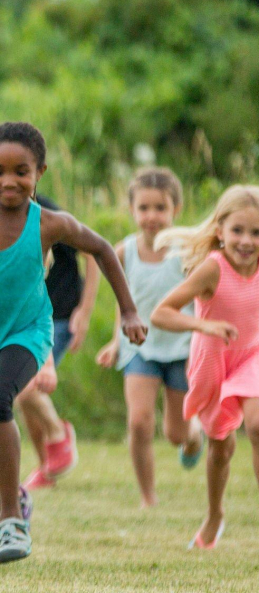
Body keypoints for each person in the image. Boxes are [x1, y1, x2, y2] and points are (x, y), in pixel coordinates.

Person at [0, 121, 146, 565]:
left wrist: (128, 310)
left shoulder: (49, 223)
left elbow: (103, 249)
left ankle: (14, 518)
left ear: (41, 172)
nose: (9, 181)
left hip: (28, 333)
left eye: (22, 171)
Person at [152, 185, 259, 549]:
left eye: (256, 232)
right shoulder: (212, 270)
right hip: (214, 362)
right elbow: (161, 313)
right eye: (238, 231)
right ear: (220, 231)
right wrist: (203, 325)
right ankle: (215, 514)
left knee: (258, 425)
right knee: (222, 449)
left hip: (253, 358)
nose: (247, 241)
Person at [96, 167, 204, 508]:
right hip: (139, 347)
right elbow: (125, 302)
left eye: (160, 208)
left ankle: (194, 436)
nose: (152, 216)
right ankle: (148, 497)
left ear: (176, 210)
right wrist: (116, 341)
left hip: (181, 348)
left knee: (175, 433)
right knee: (139, 422)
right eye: (144, 208)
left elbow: (203, 297)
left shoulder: (186, 253)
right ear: (132, 210)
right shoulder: (123, 252)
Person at [18, 193, 100, 490]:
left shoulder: (44, 210)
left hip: (60, 314)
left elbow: (91, 252)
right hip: (23, 315)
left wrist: (85, 310)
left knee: (26, 386)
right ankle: (46, 466)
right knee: (24, 394)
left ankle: (57, 433)